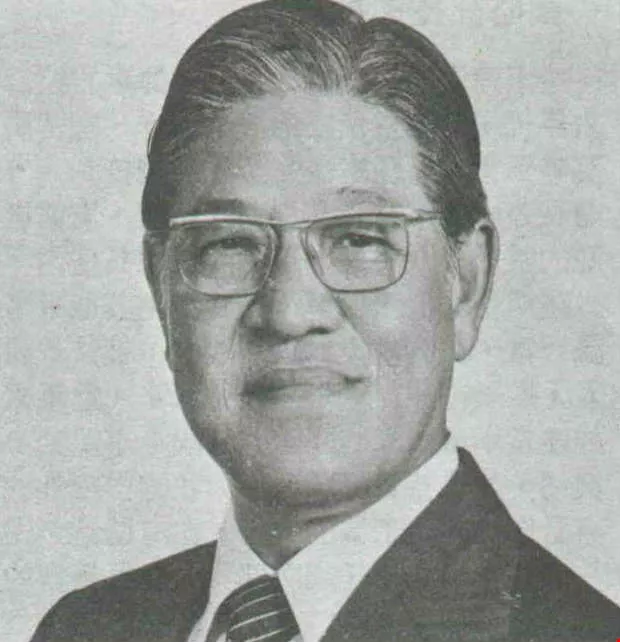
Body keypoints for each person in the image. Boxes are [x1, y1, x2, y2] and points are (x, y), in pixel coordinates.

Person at [30, 1, 620, 640]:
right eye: (230, 243)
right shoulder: (84, 628)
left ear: (467, 284)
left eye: (359, 239)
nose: (290, 312)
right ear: (161, 291)